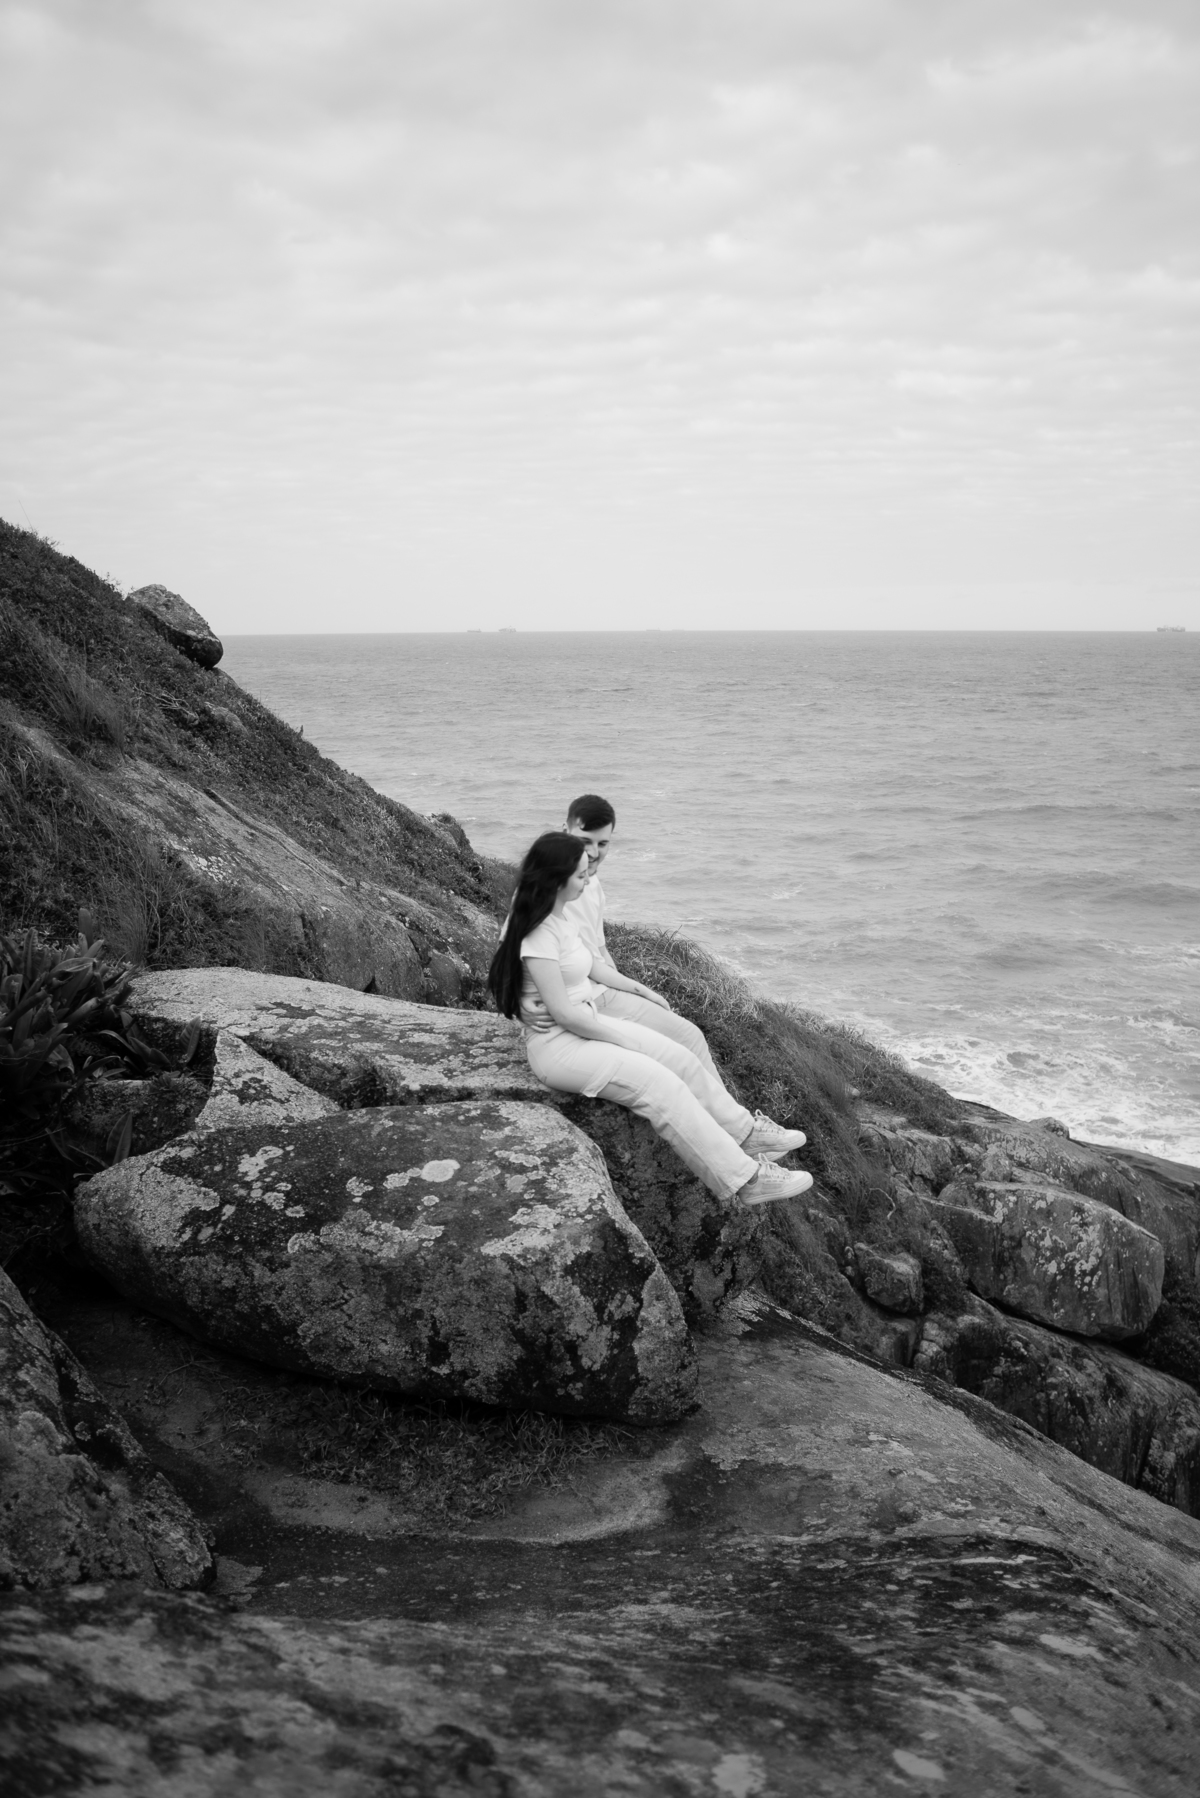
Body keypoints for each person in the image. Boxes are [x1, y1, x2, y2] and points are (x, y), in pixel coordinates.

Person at [488, 832, 814, 1208]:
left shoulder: (559, 915)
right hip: (558, 1048)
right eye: (579, 874)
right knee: (660, 1085)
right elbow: (562, 1012)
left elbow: (589, 966)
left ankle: (745, 1134)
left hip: (584, 1025)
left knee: (680, 1057)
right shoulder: (538, 930)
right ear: (556, 879)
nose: (588, 879)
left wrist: (639, 990)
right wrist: (618, 1038)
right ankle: (747, 1180)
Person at [562, 792, 723, 1077]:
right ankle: (726, 1108)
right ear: (565, 832)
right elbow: (585, 965)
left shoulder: (591, 882)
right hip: (588, 996)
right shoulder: (557, 889)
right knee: (690, 1039)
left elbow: (600, 950)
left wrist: (633, 992)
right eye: (585, 841)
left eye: (603, 843)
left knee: (682, 1043)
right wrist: (641, 992)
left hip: (603, 989)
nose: (594, 852)